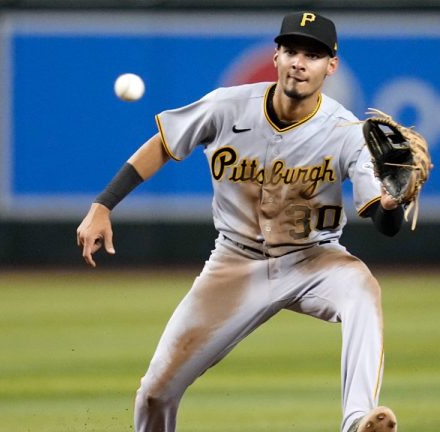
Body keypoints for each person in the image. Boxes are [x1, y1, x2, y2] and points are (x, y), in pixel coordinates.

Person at [76, 11, 403, 432]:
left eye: (313, 55)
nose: (300, 63)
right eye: (292, 51)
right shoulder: (228, 105)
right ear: (276, 56)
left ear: (331, 66)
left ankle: (358, 420)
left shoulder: (345, 131)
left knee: (361, 288)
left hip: (313, 260)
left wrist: (392, 205)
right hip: (234, 262)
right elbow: (164, 143)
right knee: (155, 394)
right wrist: (104, 205)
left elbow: (383, 219)